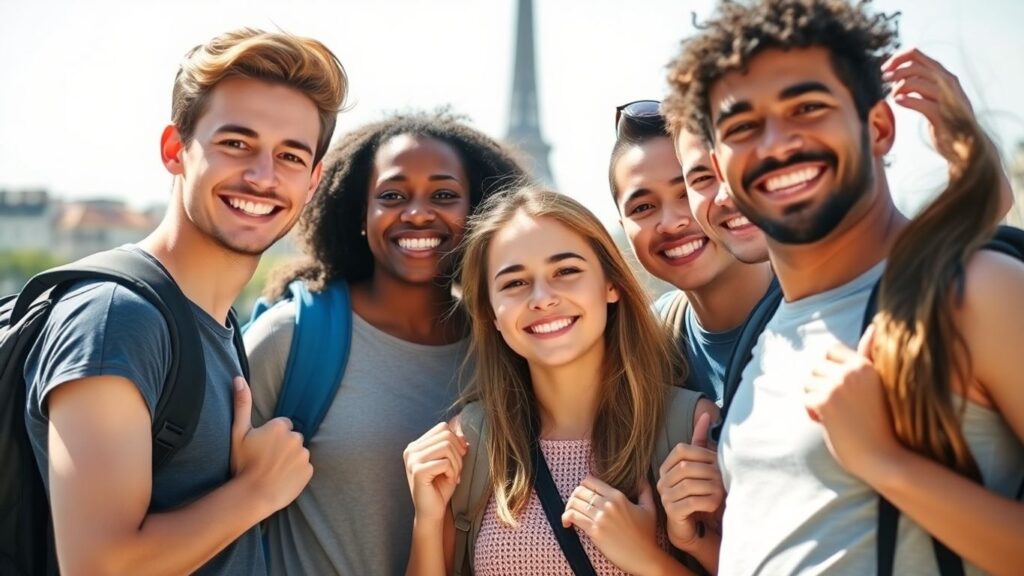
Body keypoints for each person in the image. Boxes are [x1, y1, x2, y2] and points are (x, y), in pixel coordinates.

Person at [664, 0, 1024, 574]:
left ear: (878, 126)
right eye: (743, 126)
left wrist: (887, 464)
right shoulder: (766, 335)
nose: (777, 141)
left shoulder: (973, 292)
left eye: (808, 106)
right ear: (719, 166)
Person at [22, 28, 347, 575]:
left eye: (290, 156)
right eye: (236, 144)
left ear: (313, 181)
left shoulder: (214, 323)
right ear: (176, 150)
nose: (263, 176)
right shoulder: (117, 319)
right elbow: (100, 566)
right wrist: (257, 491)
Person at [243, 111, 527, 576]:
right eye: (392, 195)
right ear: (360, 214)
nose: (416, 212)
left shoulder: (508, 347)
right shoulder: (289, 339)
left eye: (444, 195)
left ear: (478, 212)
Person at [404, 187, 720, 575]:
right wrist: (428, 520)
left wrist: (646, 560)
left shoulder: (690, 428)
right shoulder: (471, 441)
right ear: (490, 312)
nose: (542, 298)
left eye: (566, 271)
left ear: (611, 284)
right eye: (515, 283)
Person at [609, 100, 773, 404]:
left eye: (688, 191)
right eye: (643, 207)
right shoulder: (646, 347)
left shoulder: (823, 311)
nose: (671, 224)